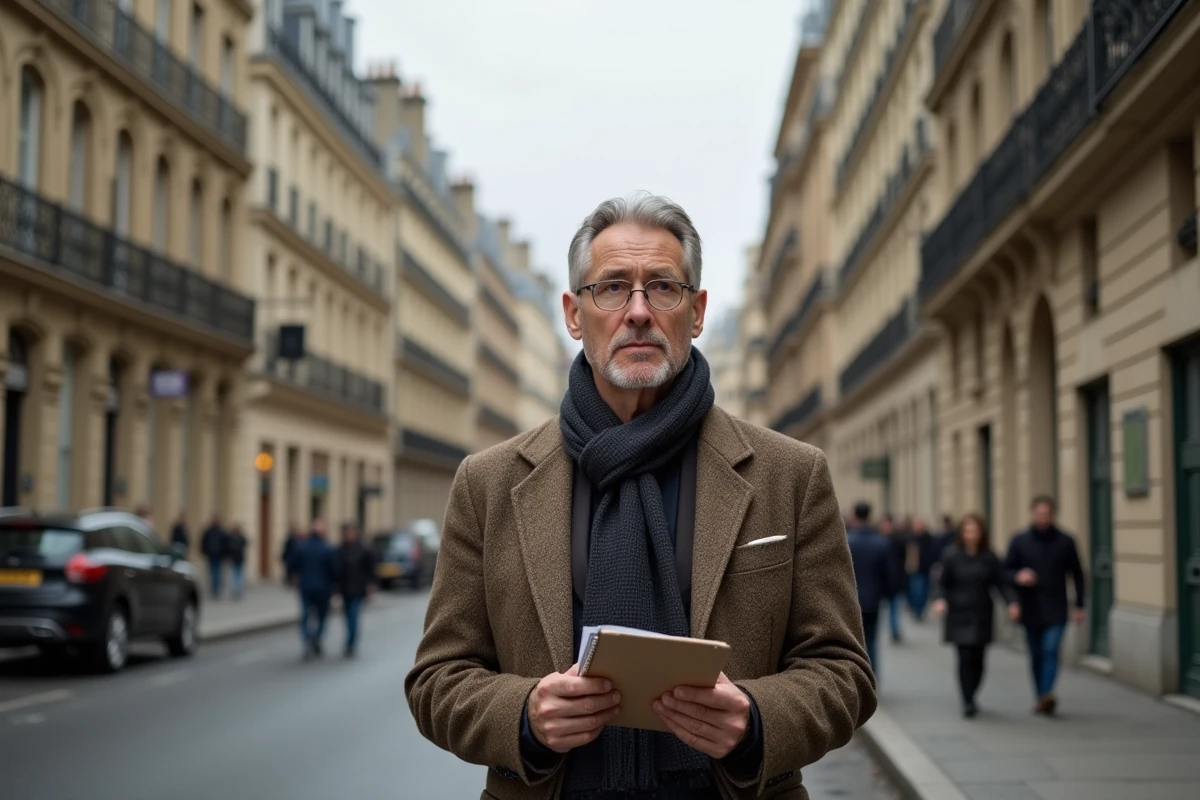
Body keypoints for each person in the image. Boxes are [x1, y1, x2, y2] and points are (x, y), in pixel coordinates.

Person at [405, 193, 875, 799]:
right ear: (574, 315)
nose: (638, 312)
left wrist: (756, 718)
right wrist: (524, 713)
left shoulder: (790, 474)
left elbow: (844, 673)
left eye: (662, 287)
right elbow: (437, 680)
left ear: (697, 310)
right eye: (611, 288)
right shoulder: (489, 482)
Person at [1003, 495, 1086, 716]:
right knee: (1036, 653)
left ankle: (1046, 694)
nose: (1042, 517)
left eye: (1046, 514)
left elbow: (1077, 573)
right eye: (1038, 513)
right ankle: (1040, 696)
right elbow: (1005, 572)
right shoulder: (1020, 540)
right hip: (1029, 607)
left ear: (1053, 515)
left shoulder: (1066, 541)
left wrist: (1079, 604)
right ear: (1032, 514)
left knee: (1050, 650)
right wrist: (1018, 576)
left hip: (1057, 606)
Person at [932, 514, 1016, 718]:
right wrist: (940, 600)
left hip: (981, 612)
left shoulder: (989, 556)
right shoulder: (951, 555)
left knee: (978, 658)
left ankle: (974, 691)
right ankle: (967, 700)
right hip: (958, 612)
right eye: (967, 530)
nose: (971, 534)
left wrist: (1011, 602)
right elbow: (941, 583)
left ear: (981, 533)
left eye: (975, 530)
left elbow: (1000, 582)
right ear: (961, 533)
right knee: (964, 655)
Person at [846, 502, 903, 674]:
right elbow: (891, 574)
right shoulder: (882, 542)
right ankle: (871, 675)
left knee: (852, 641)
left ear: (855, 516)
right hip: (873, 599)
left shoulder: (847, 541)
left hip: (850, 599)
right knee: (871, 639)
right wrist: (886, 594)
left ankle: (855, 676)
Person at [287, 518, 337, 659]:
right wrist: (334, 585)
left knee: (305, 616)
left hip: (306, 586)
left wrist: (294, 578)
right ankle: (316, 638)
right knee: (321, 616)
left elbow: (292, 565)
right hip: (323, 588)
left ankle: (307, 639)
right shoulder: (328, 548)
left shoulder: (301, 546)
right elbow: (334, 569)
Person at [336, 522, 377, 658]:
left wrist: (371, 585)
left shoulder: (364, 550)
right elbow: (336, 570)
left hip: (358, 588)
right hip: (345, 589)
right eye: (347, 533)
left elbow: (370, 570)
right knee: (347, 617)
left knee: (353, 615)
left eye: (351, 532)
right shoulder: (340, 550)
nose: (349, 535)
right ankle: (349, 640)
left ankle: (351, 643)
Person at [904, 516, 938, 620]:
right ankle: (917, 610)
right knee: (916, 591)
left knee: (923, 591)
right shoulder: (910, 538)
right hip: (914, 569)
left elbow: (933, 551)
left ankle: (920, 609)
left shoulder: (928, 538)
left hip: (925, 568)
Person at [878, 514, 906, 643]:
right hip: (880, 582)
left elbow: (903, 559)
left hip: (896, 579)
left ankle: (894, 630)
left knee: (894, 607)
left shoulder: (897, 540)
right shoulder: (877, 540)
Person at [201, 515, 228, 599]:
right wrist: (204, 551)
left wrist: (225, 554)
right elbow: (203, 542)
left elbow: (225, 544)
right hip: (211, 555)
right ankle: (213, 590)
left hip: (219, 556)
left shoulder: (221, 532)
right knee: (212, 573)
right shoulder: (209, 531)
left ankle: (216, 590)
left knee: (218, 574)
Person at [226, 523, 248, 601]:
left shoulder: (238, 538)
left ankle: (238, 590)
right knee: (236, 575)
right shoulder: (232, 538)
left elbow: (245, 544)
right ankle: (237, 590)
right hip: (235, 559)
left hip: (238, 559)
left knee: (237, 575)